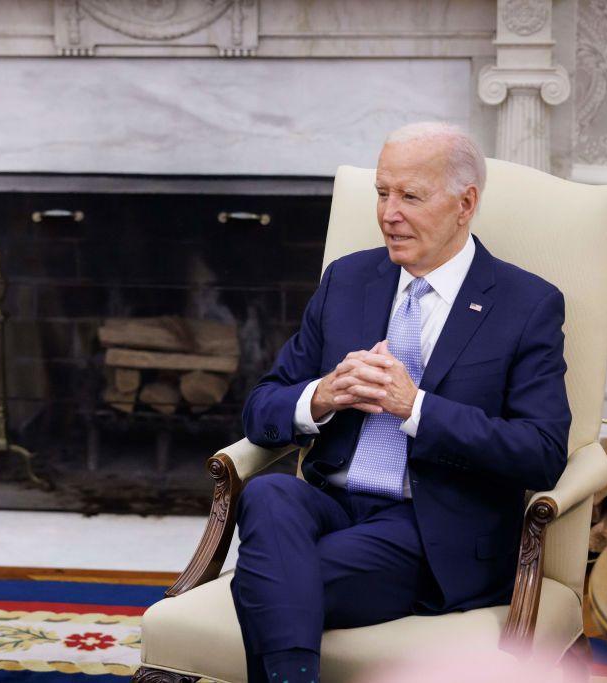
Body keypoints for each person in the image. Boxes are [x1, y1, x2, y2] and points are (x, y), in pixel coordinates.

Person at [234, 122, 570, 683]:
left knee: (270, 578)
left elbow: (540, 451)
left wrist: (415, 408)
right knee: (269, 492)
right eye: (382, 193)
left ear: (465, 204)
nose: (389, 213)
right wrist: (320, 397)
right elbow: (261, 407)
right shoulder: (348, 280)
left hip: (433, 529)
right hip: (335, 507)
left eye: (410, 196)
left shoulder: (526, 304)